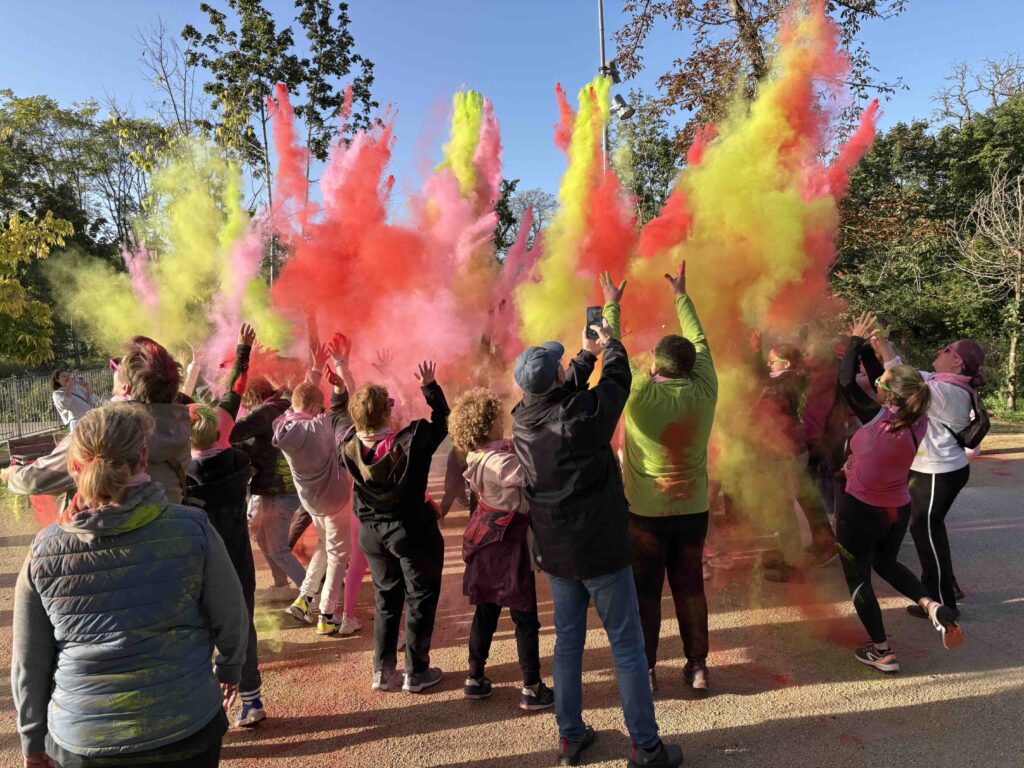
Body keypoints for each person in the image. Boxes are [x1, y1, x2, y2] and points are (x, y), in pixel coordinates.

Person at [11, 404, 248, 767]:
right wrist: (230, 669)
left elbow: (29, 660)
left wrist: (31, 738)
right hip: (186, 724)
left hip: (84, 738)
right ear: (143, 456)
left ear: (74, 465)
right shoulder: (193, 528)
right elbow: (231, 615)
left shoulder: (45, 550)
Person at [512, 316, 683, 768]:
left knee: (567, 644)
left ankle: (570, 739)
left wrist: (586, 354)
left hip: (557, 551)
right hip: (600, 549)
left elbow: (561, 391)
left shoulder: (523, 417)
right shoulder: (576, 417)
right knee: (626, 646)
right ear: (553, 381)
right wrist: (614, 346)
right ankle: (647, 748)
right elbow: (616, 385)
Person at [602, 263, 718, 694]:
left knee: (646, 593)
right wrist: (682, 297)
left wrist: (611, 306)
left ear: (656, 364)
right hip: (693, 511)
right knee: (690, 588)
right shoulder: (706, 390)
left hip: (645, 513)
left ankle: (647, 671)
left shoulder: (639, 393)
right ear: (691, 366)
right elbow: (702, 342)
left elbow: (613, 351)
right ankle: (698, 667)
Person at [836, 313, 963, 673]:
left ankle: (881, 650)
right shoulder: (917, 414)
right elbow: (883, 377)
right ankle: (931, 604)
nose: (876, 381)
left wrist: (854, 342)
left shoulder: (877, 419)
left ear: (888, 393)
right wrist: (868, 351)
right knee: (886, 562)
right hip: (897, 508)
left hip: (861, 510)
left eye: (881, 382)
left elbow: (846, 383)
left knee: (859, 577)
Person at [339, 361, 449, 694]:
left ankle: (383, 672)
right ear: (387, 411)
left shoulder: (348, 446)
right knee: (420, 597)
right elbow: (443, 421)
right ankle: (415, 672)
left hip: (373, 533)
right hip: (411, 530)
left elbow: (344, 418)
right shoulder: (410, 442)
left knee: (386, 599)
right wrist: (429, 386)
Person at [449, 387, 555, 711]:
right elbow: (527, 474)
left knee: (487, 611)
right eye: (497, 419)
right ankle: (532, 686)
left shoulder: (480, 454)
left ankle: (475, 677)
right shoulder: (499, 462)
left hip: (487, 541)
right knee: (525, 615)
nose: (502, 422)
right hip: (508, 547)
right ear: (487, 425)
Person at [186, 324, 267, 728]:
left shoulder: (182, 474)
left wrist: (192, 367)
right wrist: (242, 349)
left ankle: (206, 704)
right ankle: (252, 700)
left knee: (200, 629)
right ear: (224, 429)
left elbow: (178, 405)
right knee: (242, 624)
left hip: (199, 562)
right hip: (237, 555)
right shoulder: (236, 465)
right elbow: (236, 389)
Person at [3, 337, 192, 507]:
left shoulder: (101, 428)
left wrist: (12, 474)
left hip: (108, 535)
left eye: (116, 368)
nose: (113, 370)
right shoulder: (180, 423)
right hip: (172, 527)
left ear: (126, 387)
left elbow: (37, 479)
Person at [873, 334, 985, 617]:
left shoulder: (946, 393)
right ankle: (946, 586)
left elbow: (900, 379)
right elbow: (903, 370)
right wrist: (882, 345)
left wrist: (877, 349)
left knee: (926, 532)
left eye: (946, 349)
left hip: (938, 472)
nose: (939, 349)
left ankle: (944, 603)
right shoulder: (941, 380)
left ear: (957, 360)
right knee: (930, 531)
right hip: (937, 470)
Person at [274, 335, 360, 636]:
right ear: (314, 408)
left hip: (310, 500)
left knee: (325, 547)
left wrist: (314, 370)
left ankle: (304, 599)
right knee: (338, 554)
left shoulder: (283, 428)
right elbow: (350, 409)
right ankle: (326, 613)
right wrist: (341, 369)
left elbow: (299, 402)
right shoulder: (319, 425)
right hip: (335, 499)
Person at [757, 340, 838, 581]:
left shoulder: (780, 388)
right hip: (798, 450)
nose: (769, 364)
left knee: (783, 510)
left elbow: (763, 420)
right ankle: (818, 545)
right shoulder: (800, 380)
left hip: (784, 454)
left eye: (773, 361)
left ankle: (791, 564)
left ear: (787, 363)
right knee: (804, 498)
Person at [227, 358, 307, 599]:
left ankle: (313, 596)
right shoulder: (286, 404)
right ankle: (281, 585)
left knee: (278, 548)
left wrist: (230, 398)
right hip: (278, 486)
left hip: (278, 488)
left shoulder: (265, 411)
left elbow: (231, 431)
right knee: (260, 533)